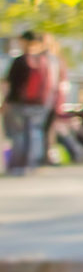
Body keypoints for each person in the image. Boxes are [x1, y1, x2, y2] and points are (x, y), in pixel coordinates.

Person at [5, 30, 55, 174]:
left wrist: (6, 102)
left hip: (19, 104)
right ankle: (32, 164)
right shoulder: (45, 61)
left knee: (19, 134)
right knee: (35, 133)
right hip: (40, 104)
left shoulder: (20, 61)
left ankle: (18, 166)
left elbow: (11, 84)